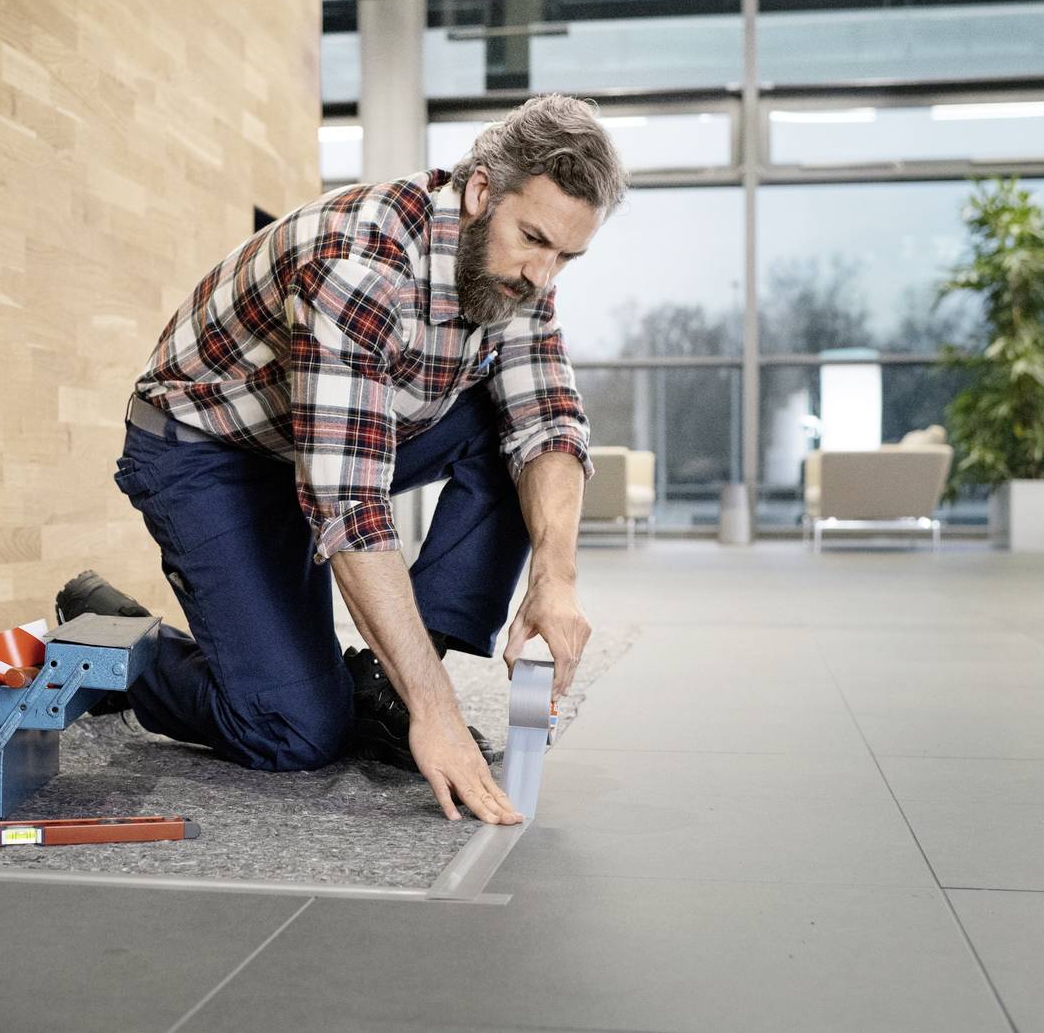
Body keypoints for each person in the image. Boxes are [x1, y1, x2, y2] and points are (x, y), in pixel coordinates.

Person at [58, 94, 622, 824]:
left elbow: (547, 421)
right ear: (481, 191)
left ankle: (386, 687)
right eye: (534, 240)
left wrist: (557, 579)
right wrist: (437, 710)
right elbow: (349, 504)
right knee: (296, 730)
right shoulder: (362, 264)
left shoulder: (515, 278)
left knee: (511, 430)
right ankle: (110, 639)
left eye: (565, 257)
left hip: (313, 440)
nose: (542, 276)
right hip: (205, 452)